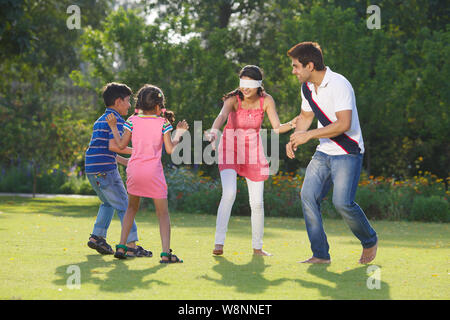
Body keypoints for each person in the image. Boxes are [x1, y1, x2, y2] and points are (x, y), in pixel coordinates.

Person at [286, 42, 378, 264]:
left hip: (348, 151)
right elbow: (306, 116)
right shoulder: (307, 88)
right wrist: (296, 137)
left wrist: (309, 136)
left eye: (296, 66)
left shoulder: (339, 84)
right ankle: (320, 254)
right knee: (308, 196)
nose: (293, 71)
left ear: (310, 65)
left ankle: (369, 240)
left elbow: (344, 124)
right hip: (323, 152)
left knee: (342, 203)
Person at [207, 65, 298, 256]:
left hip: (253, 152)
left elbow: (277, 127)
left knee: (257, 202)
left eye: (250, 84)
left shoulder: (266, 101)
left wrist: (292, 124)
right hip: (229, 148)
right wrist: (214, 131)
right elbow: (222, 115)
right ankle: (219, 243)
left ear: (258, 85)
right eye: (242, 83)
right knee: (229, 193)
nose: (245, 88)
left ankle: (258, 247)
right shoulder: (233, 99)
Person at [106, 84, 188, 263]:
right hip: (153, 173)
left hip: (134, 171)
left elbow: (120, 145)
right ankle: (166, 253)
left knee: (131, 209)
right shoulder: (163, 123)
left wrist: (113, 126)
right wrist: (179, 133)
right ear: (159, 106)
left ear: (139, 104)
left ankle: (122, 246)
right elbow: (169, 149)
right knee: (163, 214)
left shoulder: (132, 121)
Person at [85, 82, 152, 257]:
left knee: (108, 203)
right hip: (105, 171)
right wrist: (140, 152)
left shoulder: (100, 120)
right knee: (125, 205)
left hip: (93, 170)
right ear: (117, 102)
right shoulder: (116, 121)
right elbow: (116, 146)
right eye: (128, 101)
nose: (130, 105)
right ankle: (131, 245)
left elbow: (107, 149)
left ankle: (97, 237)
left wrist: (129, 161)